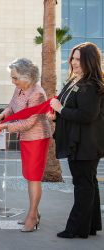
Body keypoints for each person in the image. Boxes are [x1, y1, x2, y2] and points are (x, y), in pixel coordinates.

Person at [49, 42, 104, 238]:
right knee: (88, 184)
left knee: (83, 185)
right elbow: (68, 108)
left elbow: (87, 115)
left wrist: (60, 109)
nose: (74, 62)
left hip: (86, 143)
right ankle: (91, 226)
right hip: (79, 141)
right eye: (72, 58)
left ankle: (76, 229)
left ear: (90, 61)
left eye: (79, 59)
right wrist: (57, 114)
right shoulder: (76, 81)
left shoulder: (90, 85)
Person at [0, 58, 51, 232]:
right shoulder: (20, 88)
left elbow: (28, 123)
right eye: (12, 78)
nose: (13, 82)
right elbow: (11, 106)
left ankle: (32, 217)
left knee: (34, 178)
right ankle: (34, 212)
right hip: (26, 138)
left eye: (15, 78)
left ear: (28, 76)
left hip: (37, 138)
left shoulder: (37, 94)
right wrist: (2, 115)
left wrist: (4, 126)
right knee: (29, 176)